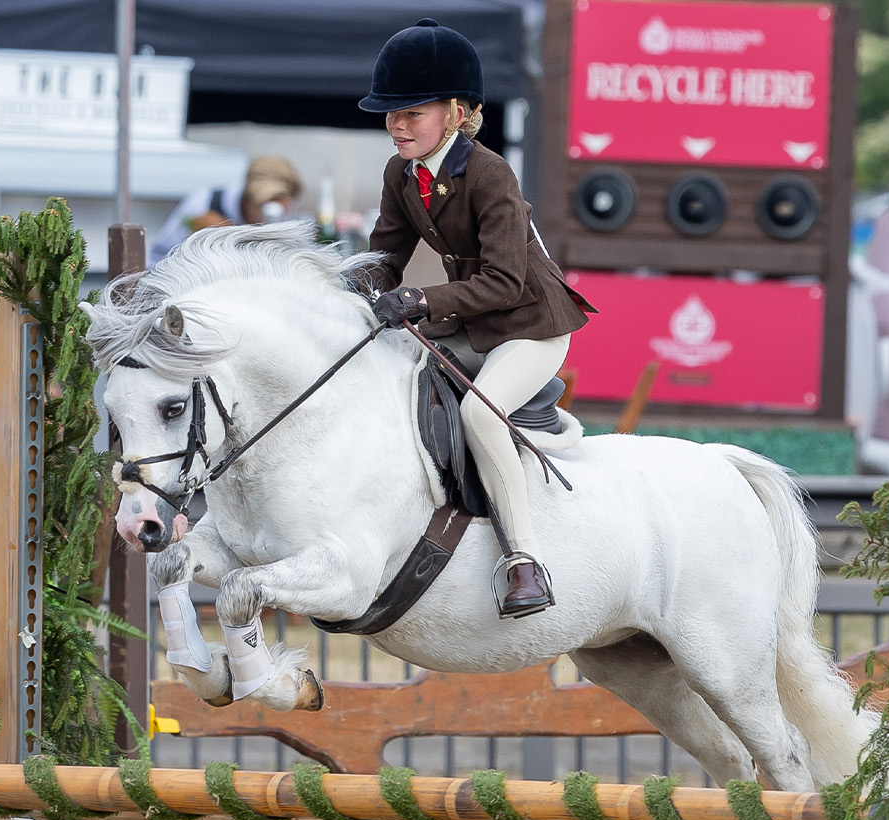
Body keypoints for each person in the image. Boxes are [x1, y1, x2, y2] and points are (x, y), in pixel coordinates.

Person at [360, 18, 595, 619]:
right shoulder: (401, 173)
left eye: (412, 113)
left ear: (459, 113)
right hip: (472, 317)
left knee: (477, 413)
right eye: (392, 114)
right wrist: (347, 295)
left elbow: (506, 282)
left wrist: (420, 301)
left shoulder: (490, 172)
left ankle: (523, 561)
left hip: (531, 324)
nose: (397, 125)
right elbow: (383, 258)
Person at [151, 155, 304, 258]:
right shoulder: (203, 204)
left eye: (281, 211)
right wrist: (198, 243)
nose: (271, 219)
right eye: (266, 210)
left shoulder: (287, 218)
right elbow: (158, 257)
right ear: (249, 197)